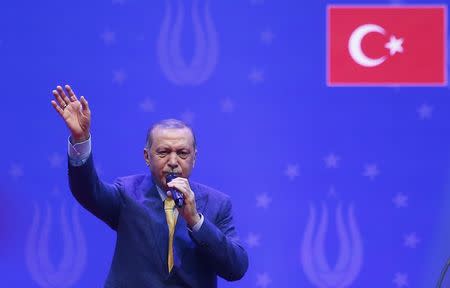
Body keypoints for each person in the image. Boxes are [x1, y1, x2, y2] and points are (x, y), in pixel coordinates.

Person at [51, 85, 248, 287]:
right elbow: (87, 191)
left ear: (194, 158)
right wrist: (80, 140)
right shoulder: (127, 193)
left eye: (182, 153)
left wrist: (196, 222)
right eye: (163, 152)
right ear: (147, 157)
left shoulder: (217, 203)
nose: (173, 161)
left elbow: (236, 268)